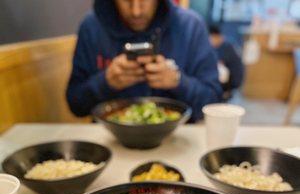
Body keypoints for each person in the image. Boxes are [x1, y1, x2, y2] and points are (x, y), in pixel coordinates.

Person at [66, 0, 222, 122]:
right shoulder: (91, 27)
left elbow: (213, 101)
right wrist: (105, 82)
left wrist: (178, 81)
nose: (136, 11)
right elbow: (75, 105)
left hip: (178, 140)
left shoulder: (191, 26)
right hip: (110, 139)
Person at [209, 24, 244, 96]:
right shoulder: (225, 43)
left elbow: (219, 63)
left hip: (232, 80)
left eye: (210, 38)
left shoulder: (226, 46)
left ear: (215, 36)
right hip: (230, 78)